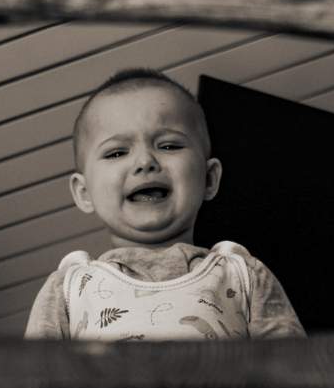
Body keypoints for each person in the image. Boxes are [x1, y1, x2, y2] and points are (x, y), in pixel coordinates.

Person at [25, 68, 305, 341]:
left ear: (209, 178)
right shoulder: (67, 290)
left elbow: (296, 366)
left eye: (169, 146)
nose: (145, 161)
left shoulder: (244, 275)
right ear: (84, 192)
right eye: (117, 152)